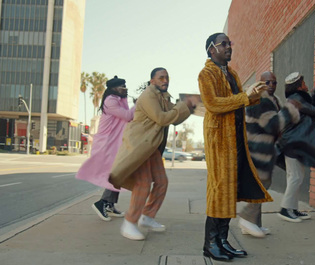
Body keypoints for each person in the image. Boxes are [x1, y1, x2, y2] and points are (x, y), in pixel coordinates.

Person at [198, 32, 273, 262]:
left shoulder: (232, 73)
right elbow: (212, 104)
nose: (229, 47)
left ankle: (222, 240)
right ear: (211, 49)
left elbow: (241, 100)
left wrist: (254, 95)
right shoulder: (206, 73)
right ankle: (210, 244)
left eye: (230, 43)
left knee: (230, 190)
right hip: (219, 140)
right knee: (219, 189)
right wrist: (243, 97)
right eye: (223, 44)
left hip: (235, 140)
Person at [109, 67, 194, 241]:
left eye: (167, 77)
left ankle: (147, 217)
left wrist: (189, 106)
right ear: (152, 81)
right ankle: (129, 223)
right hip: (139, 145)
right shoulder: (148, 96)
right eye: (161, 78)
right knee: (143, 183)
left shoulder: (163, 97)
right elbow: (162, 118)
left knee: (162, 181)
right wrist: (183, 106)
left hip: (151, 146)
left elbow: (175, 117)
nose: (165, 80)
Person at [238, 71, 300, 237]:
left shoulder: (272, 100)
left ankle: (253, 224)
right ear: (261, 83)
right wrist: (290, 111)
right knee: (261, 185)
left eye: (274, 82)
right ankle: (246, 217)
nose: (271, 85)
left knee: (262, 183)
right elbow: (273, 124)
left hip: (263, 148)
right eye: (268, 82)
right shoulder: (261, 100)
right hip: (257, 148)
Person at [76, 76, 135, 222]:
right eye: (122, 86)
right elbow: (128, 116)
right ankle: (101, 203)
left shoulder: (119, 100)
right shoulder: (111, 101)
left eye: (125, 86)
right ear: (114, 89)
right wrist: (138, 104)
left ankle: (109, 204)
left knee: (117, 174)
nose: (125, 89)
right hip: (106, 144)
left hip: (114, 142)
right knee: (114, 174)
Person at [276, 72, 315, 222]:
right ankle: (285, 210)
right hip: (293, 144)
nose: (306, 85)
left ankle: (293, 209)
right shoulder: (295, 101)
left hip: (296, 144)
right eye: (303, 83)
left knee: (296, 177)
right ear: (299, 86)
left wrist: (312, 95)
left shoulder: (298, 100)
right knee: (296, 177)